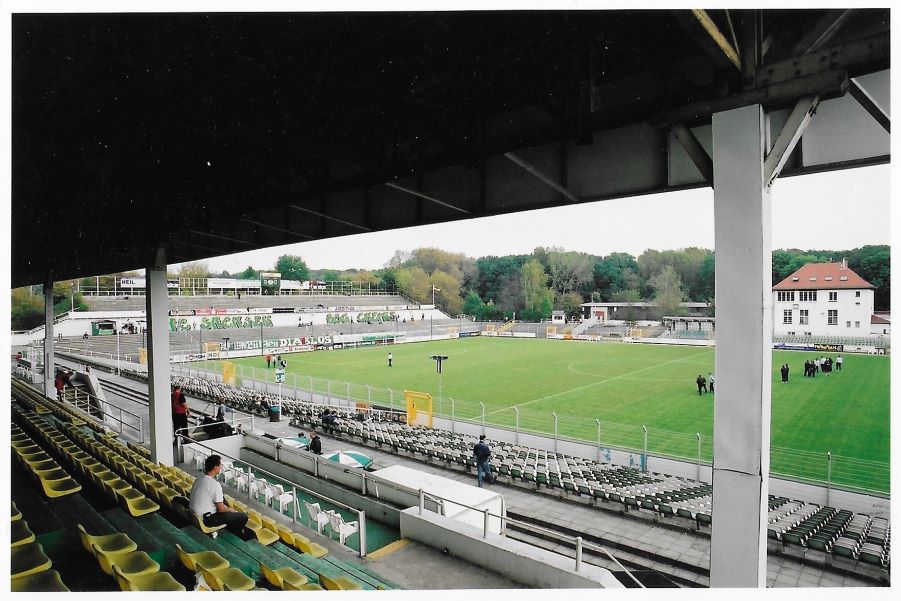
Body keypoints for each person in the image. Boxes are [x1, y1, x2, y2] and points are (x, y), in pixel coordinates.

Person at [189, 455, 251, 538]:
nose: (221, 466)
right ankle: (237, 535)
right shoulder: (214, 485)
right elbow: (221, 509)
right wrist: (231, 510)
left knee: (223, 499)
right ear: (215, 468)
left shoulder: (199, 479)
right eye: (220, 465)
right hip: (207, 519)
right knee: (243, 516)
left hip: (195, 515)